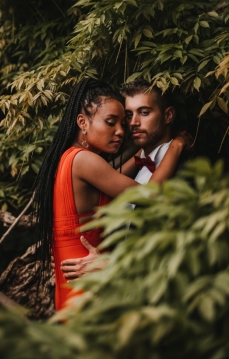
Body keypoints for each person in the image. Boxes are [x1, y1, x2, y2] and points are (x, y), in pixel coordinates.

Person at [32, 78, 189, 312]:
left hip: (78, 279)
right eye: (110, 122)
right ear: (83, 122)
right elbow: (149, 195)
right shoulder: (85, 161)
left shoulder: (69, 159)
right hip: (88, 281)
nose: (121, 131)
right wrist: (177, 146)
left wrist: (142, 147)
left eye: (122, 123)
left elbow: (120, 177)